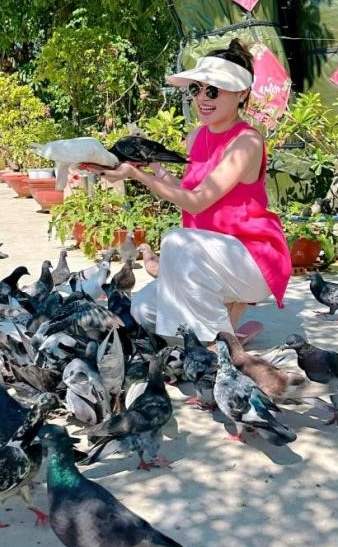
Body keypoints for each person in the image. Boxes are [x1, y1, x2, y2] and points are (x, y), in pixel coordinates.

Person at [94, 40, 290, 343]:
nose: (202, 98)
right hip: (211, 256)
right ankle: (227, 328)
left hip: (252, 258)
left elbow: (197, 203)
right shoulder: (197, 135)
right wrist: (150, 168)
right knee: (144, 309)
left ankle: (215, 346)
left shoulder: (246, 142)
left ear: (242, 94)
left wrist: (135, 175)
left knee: (177, 240)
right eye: (196, 89)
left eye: (213, 91)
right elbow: (187, 190)